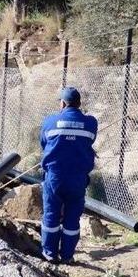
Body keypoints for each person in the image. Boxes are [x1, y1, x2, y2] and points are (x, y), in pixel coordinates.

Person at [39, 87, 98, 264]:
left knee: (51, 214)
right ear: (79, 103)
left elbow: (43, 144)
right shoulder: (90, 123)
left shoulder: (50, 121)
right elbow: (91, 140)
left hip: (55, 177)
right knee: (73, 216)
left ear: (63, 103)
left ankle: (49, 253)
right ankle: (67, 256)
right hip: (78, 178)